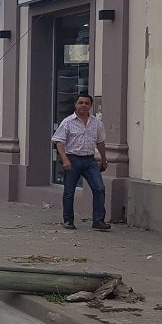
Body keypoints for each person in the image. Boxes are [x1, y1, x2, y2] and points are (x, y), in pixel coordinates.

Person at [52, 93, 110, 231]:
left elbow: (100, 142)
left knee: (99, 188)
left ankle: (98, 220)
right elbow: (59, 142)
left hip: (90, 161)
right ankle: (68, 220)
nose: (84, 105)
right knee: (69, 191)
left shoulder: (97, 123)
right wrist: (65, 159)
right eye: (81, 103)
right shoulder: (67, 122)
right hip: (72, 159)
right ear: (75, 104)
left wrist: (103, 159)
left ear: (90, 105)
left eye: (87, 103)